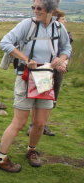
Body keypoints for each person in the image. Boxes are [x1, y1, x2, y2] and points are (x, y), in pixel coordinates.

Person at [0, 0, 72, 173]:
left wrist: (60, 59)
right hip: (26, 77)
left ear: (51, 11)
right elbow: (4, 42)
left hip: (46, 78)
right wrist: (26, 59)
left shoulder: (59, 28)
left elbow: (67, 48)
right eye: (33, 7)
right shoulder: (26, 25)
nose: (35, 11)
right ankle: (1, 158)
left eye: (39, 8)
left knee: (40, 123)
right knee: (19, 122)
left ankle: (32, 150)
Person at [27, 9, 73, 137]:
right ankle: (37, 125)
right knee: (43, 96)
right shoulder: (51, 34)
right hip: (48, 70)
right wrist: (58, 63)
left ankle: (40, 124)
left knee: (51, 97)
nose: (65, 21)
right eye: (63, 19)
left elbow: (67, 50)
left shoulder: (63, 33)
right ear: (56, 20)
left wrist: (63, 62)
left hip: (56, 69)